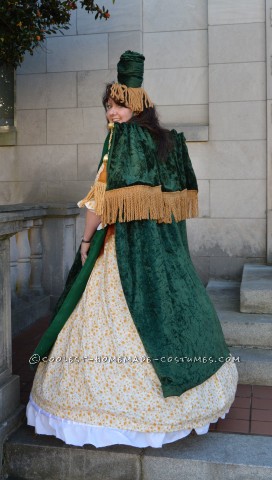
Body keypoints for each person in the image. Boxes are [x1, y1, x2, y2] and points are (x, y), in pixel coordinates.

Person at [26, 51, 238, 448]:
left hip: (124, 252)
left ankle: (113, 415)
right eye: (108, 106)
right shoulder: (166, 141)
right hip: (163, 256)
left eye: (119, 105)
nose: (112, 113)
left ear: (136, 103)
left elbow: (97, 200)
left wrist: (87, 241)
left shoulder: (121, 144)